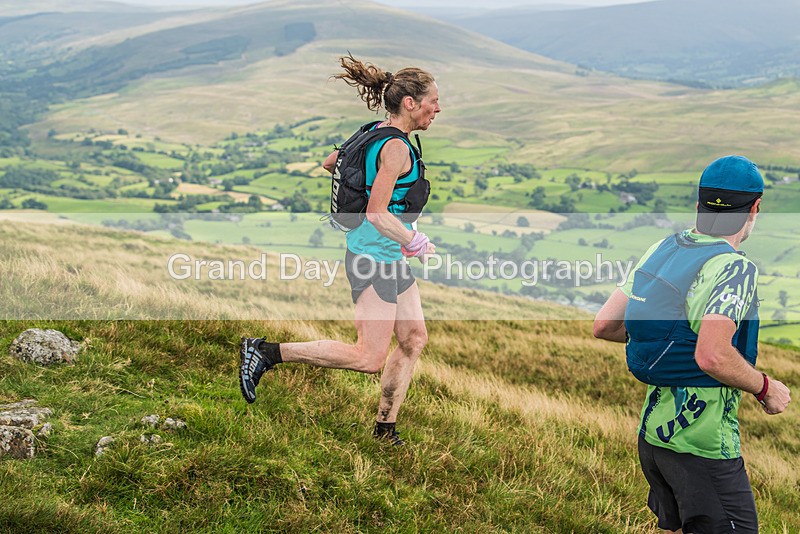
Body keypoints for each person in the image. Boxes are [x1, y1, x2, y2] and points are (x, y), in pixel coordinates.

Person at [239, 54, 440, 445]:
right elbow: (377, 213)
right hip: (373, 259)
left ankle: (385, 430)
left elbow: (333, 162)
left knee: (414, 338)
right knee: (367, 357)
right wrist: (413, 240)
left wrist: (387, 211)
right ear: (410, 103)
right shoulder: (396, 148)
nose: (438, 108)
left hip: (387, 255)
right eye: (433, 101)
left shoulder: (374, 130)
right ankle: (264, 352)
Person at [593, 155, 791, 533]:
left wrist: (667, 343)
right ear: (755, 207)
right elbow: (712, 355)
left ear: (699, 202)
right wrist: (766, 388)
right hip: (703, 444)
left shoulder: (663, 247)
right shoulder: (734, 267)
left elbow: (605, 325)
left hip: (653, 438)